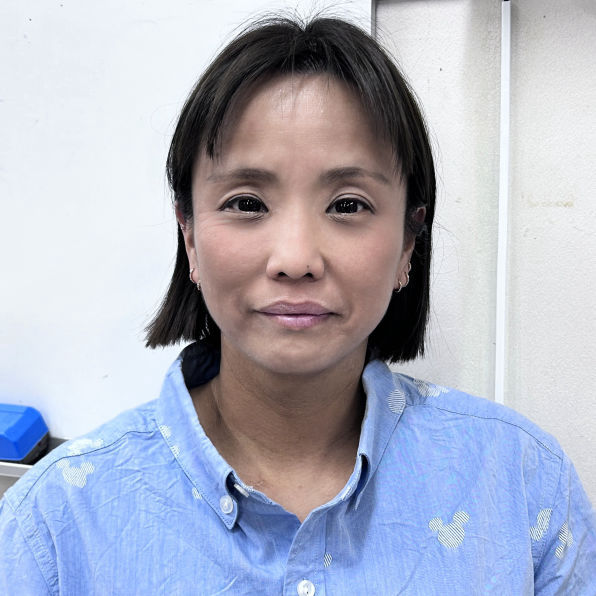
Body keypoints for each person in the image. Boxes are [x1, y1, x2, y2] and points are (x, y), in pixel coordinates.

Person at [1, 15, 595, 595]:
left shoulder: (521, 486)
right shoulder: (55, 524)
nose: (295, 259)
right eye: (247, 203)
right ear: (190, 235)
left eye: (348, 205)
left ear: (408, 243)